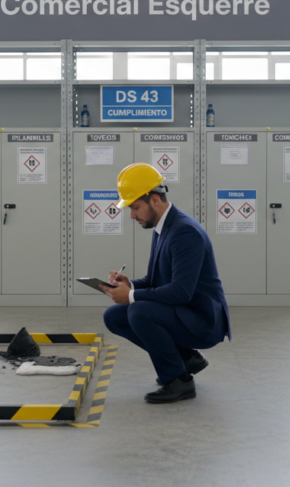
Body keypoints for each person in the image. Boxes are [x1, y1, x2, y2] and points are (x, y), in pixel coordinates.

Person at [100, 163, 231, 404]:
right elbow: (154, 280)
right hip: (183, 310)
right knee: (114, 316)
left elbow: (181, 291)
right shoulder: (162, 228)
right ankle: (185, 357)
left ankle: (178, 381)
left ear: (155, 200)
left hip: (202, 319)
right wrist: (129, 284)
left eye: (135, 208)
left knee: (138, 310)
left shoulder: (184, 232)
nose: (132, 216)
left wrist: (130, 297)